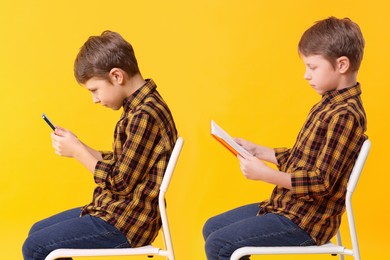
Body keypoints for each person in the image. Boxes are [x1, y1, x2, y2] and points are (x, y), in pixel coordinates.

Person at [203, 16, 367, 260]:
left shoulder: (345, 115)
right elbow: (303, 158)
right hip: (286, 206)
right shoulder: (328, 106)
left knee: (219, 245)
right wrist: (258, 151)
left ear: (341, 65)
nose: (306, 75)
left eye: (313, 67)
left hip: (305, 221)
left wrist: (266, 175)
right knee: (212, 227)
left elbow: (321, 182)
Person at [22, 31, 178, 260]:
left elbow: (120, 182)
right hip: (115, 211)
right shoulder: (142, 107)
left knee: (35, 247)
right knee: (37, 232)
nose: (95, 99)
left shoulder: (144, 115)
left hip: (125, 223)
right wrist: (78, 145)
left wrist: (77, 152)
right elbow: (122, 163)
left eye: (94, 90)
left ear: (116, 76)